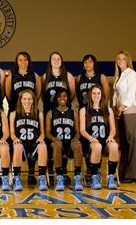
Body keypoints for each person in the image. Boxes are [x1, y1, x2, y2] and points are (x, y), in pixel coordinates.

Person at [5, 51, 41, 184]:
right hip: (16, 112)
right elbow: (8, 95)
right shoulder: (11, 77)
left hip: (31, 111)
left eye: (25, 60)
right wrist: (17, 108)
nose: (23, 62)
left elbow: (37, 94)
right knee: (17, 143)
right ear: (16, 62)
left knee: (32, 139)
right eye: (20, 60)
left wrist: (30, 106)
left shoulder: (34, 76)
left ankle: (32, 173)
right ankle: (16, 175)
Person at [76, 54, 110, 182]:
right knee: (86, 140)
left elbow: (106, 95)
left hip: (98, 112)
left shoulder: (101, 77)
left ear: (94, 64)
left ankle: (97, 166)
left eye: (90, 62)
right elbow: (77, 95)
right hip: (84, 112)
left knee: (99, 139)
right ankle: (89, 168)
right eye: (85, 62)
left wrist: (100, 109)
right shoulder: (79, 78)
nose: (88, 64)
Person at [41, 51, 75, 180]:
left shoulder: (68, 76)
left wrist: (62, 103)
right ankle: (50, 169)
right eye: (53, 59)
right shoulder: (45, 76)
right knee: (51, 140)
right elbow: (42, 96)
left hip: (64, 112)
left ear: (61, 61)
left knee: (64, 140)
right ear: (50, 61)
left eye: (58, 58)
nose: (56, 61)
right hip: (50, 111)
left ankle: (63, 171)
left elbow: (71, 94)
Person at [80, 85, 119, 190]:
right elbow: (82, 130)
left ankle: (111, 177)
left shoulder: (108, 110)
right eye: (94, 93)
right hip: (91, 141)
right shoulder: (84, 110)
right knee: (97, 147)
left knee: (114, 146)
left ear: (102, 95)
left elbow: (113, 129)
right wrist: (90, 138)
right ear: (90, 95)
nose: (96, 95)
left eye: (98, 93)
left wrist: (111, 137)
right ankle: (94, 178)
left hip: (105, 140)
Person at [9, 89, 48, 191]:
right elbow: (12, 133)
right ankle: (16, 178)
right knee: (17, 147)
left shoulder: (38, 114)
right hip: (21, 143)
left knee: (43, 146)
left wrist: (41, 138)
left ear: (33, 100)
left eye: (29, 99)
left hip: (34, 142)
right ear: (20, 100)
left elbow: (43, 132)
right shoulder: (14, 114)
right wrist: (15, 139)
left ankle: (42, 177)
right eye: (25, 99)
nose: (27, 101)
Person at [46, 89, 83, 191]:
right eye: (60, 97)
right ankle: (59, 177)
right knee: (57, 145)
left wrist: (76, 138)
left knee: (78, 145)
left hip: (69, 142)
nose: (62, 98)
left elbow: (78, 131)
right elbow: (48, 133)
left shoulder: (73, 113)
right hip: (57, 142)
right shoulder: (50, 113)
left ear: (68, 98)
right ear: (56, 99)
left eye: (65, 96)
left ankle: (77, 177)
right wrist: (54, 139)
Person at [112, 51, 136, 183]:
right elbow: (116, 94)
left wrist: (121, 108)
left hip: (130, 111)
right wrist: (114, 109)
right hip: (120, 112)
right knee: (123, 144)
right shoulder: (119, 76)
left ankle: (133, 174)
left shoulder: (132, 74)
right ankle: (122, 173)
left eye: (123, 59)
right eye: (118, 59)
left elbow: (130, 94)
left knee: (131, 143)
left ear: (128, 60)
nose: (120, 61)